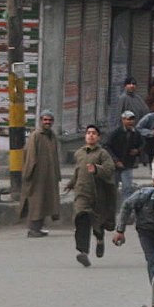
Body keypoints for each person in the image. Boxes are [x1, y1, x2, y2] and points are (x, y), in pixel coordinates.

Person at [65, 125, 117, 267]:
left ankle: (100, 239)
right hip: (82, 194)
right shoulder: (79, 153)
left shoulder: (103, 154)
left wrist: (96, 169)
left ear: (98, 137)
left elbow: (109, 170)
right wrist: (71, 183)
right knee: (81, 219)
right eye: (88, 133)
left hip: (98, 195)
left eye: (94, 133)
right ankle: (83, 252)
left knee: (97, 223)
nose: (91, 135)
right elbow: (77, 171)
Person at [20, 110, 61, 238]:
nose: (47, 122)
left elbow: (55, 156)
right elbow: (30, 156)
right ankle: (33, 229)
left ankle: (39, 228)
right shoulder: (36, 135)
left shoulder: (52, 135)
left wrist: (57, 174)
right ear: (41, 121)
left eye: (49, 120)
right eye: (45, 120)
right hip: (37, 176)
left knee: (45, 201)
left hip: (49, 175)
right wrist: (28, 175)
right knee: (36, 202)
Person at [105, 110, 144, 200]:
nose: (130, 122)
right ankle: (111, 208)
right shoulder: (116, 132)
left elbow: (142, 144)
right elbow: (107, 146)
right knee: (112, 188)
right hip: (115, 166)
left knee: (127, 188)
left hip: (128, 164)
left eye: (132, 120)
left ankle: (126, 209)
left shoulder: (136, 133)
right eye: (128, 119)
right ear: (123, 120)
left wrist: (137, 151)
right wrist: (116, 160)